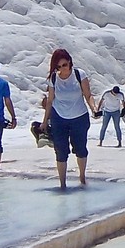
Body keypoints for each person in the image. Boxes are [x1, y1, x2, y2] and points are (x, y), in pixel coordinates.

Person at [41, 50, 95, 189]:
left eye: (64, 65)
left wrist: (93, 108)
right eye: (58, 67)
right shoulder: (53, 78)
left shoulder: (79, 75)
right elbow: (50, 100)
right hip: (59, 117)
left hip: (79, 116)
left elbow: (88, 95)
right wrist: (44, 121)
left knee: (80, 148)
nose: (62, 69)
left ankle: (82, 177)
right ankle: (62, 184)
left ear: (70, 62)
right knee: (60, 150)